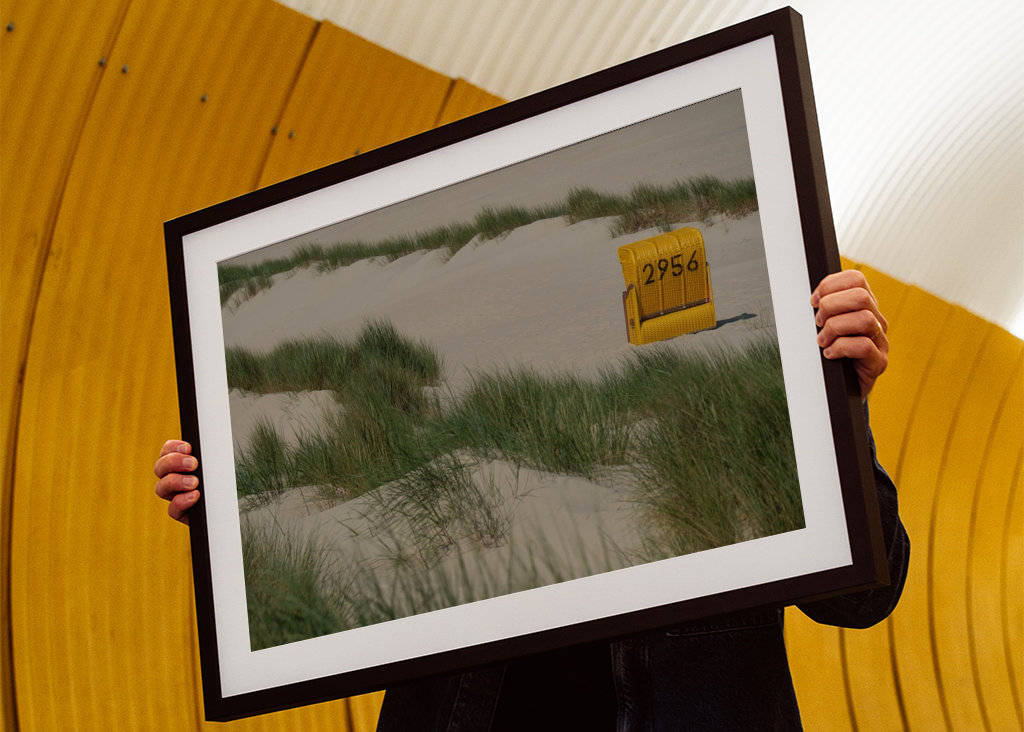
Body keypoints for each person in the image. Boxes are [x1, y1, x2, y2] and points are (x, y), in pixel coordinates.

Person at [155, 270, 909, 731]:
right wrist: (235, 506)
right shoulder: (453, 408)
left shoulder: (737, 388)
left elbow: (864, 596)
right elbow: (343, 551)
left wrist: (837, 405)